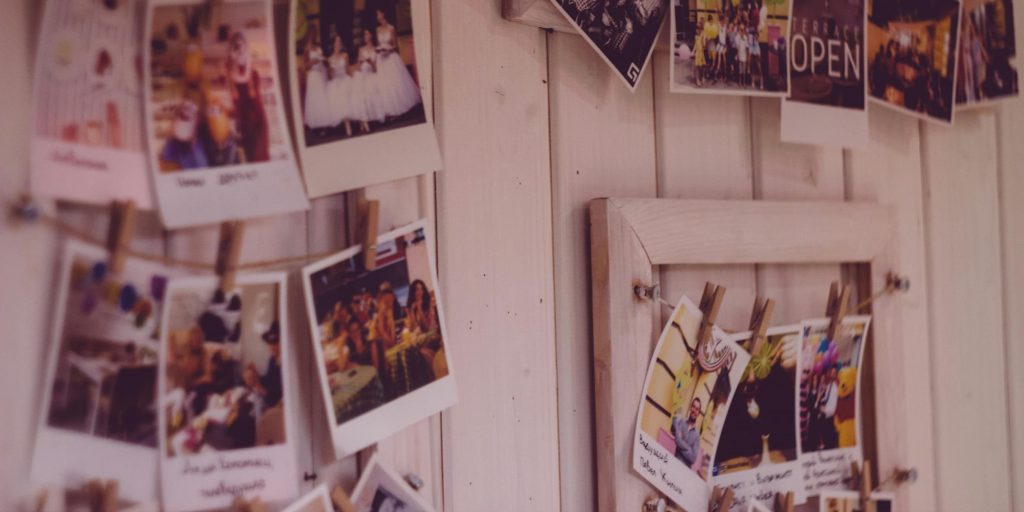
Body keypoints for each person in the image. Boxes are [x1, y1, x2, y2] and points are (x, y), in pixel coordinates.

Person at [227, 31, 269, 163]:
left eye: (241, 46)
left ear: (246, 47)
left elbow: (254, 98)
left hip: (258, 121)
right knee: (251, 157)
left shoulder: (253, 72)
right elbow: (235, 100)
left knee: (260, 156)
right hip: (245, 124)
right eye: (236, 46)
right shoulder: (230, 74)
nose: (239, 50)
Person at [375, 9, 422, 118]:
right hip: (382, 59)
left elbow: (395, 45)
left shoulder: (391, 28)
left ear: (383, 14)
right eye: (376, 15)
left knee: (396, 82)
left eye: (378, 14)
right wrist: (379, 50)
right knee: (386, 85)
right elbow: (379, 44)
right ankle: (392, 111)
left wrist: (388, 50)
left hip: (390, 57)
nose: (377, 17)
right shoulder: (377, 30)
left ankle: (403, 108)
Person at [353, 29, 387, 133]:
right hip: (362, 74)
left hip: (371, 75)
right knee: (361, 94)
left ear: (371, 36)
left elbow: (376, 68)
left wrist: (370, 62)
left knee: (373, 91)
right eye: (365, 34)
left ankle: (370, 120)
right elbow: (358, 66)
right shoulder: (361, 49)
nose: (366, 36)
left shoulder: (376, 49)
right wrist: (361, 62)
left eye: (367, 34)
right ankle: (364, 121)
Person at [303, 30, 334, 133]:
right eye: (313, 34)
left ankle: (325, 124)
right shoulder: (307, 49)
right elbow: (305, 66)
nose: (315, 36)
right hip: (314, 75)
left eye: (316, 34)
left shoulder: (319, 47)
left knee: (323, 98)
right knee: (316, 99)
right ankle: (317, 124)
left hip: (322, 73)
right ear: (309, 35)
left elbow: (324, 59)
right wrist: (312, 62)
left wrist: (324, 60)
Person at [326, 35, 354, 137]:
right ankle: (346, 123)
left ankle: (354, 122)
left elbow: (348, 70)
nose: (339, 43)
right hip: (336, 81)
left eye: (340, 42)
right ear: (333, 44)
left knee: (347, 89)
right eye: (337, 42)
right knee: (336, 91)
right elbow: (329, 77)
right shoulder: (329, 59)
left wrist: (354, 80)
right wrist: (331, 72)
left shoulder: (345, 55)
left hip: (345, 79)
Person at [672, 397, 703, 467]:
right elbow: (676, 439)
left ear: (698, 413)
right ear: (690, 407)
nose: (694, 410)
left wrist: (680, 442)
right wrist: (689, 449)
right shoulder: (682, 422)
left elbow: (693, 459)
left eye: (697, 409)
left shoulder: (697, 436)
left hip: (684, 470)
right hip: (674, 462)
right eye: (693, 407)